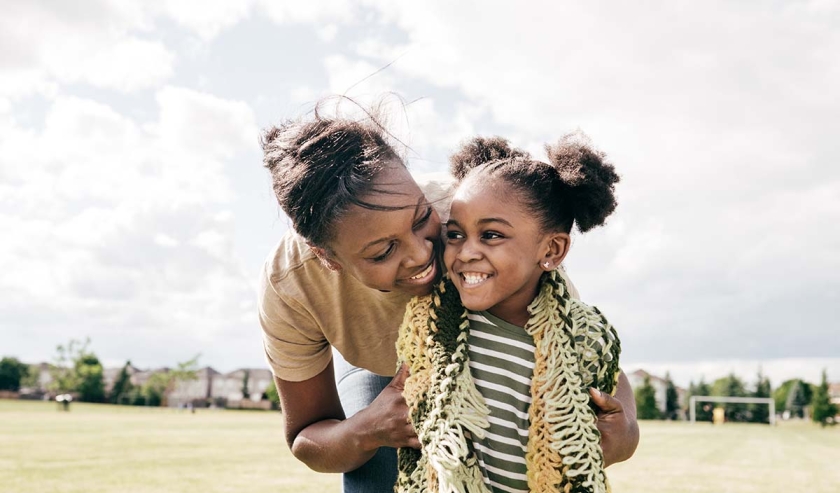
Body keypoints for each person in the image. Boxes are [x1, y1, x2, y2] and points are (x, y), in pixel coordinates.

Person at [258, 109, 638, 493]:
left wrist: (625, 430)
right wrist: (365, 430)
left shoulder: (473, 215)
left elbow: (575, 348)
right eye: (383, 251)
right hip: (378, 370)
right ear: (328, 257)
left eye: (422, 219)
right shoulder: (292, 282)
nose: (423, 254)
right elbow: (307, 438)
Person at [396, 134, 629, 493]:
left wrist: (627, 432)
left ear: (551, 249)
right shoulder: (435, 327)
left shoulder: (578, 334)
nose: (466, 252)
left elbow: (615, 383)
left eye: (490, 235)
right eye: (456, 235)